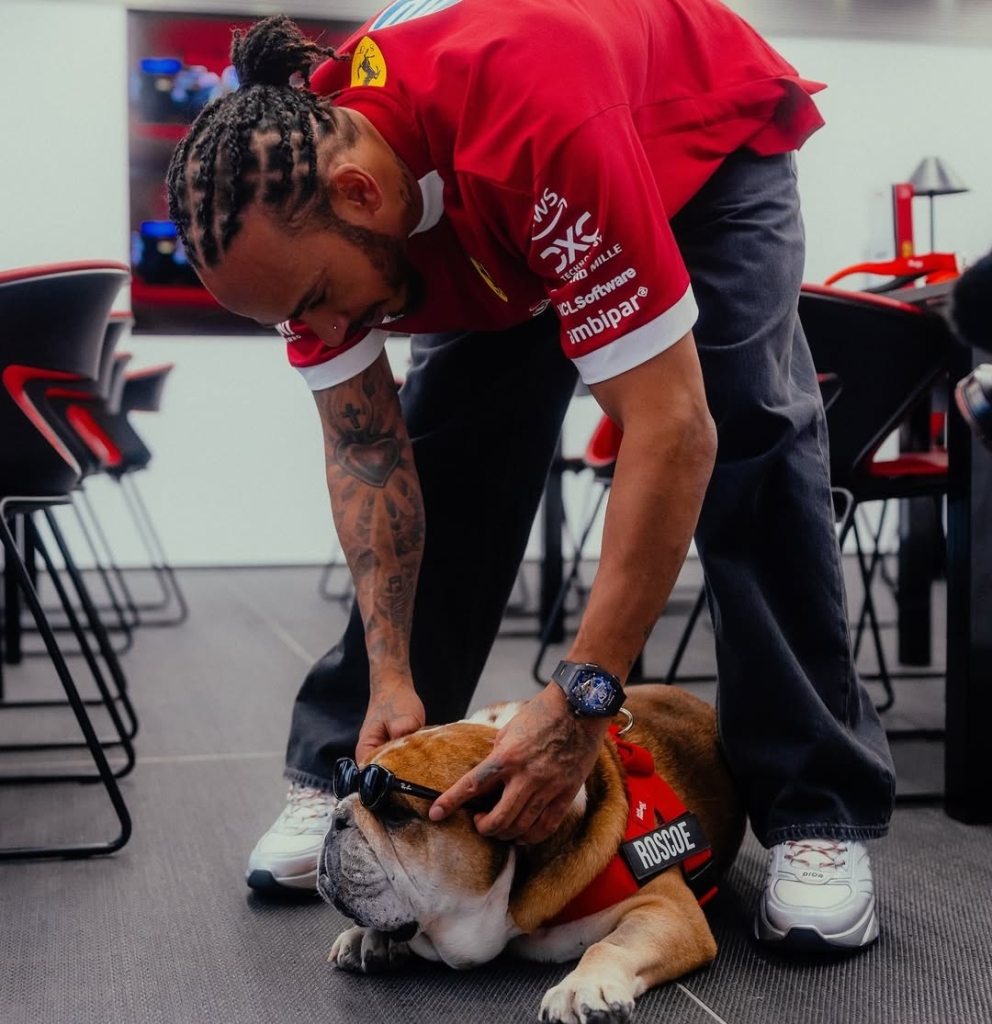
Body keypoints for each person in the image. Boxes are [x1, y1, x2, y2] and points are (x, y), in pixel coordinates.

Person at [166, 0, 896, 950]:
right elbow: (366, 451)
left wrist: (584, 700)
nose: (330, 335)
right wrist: (392, 671)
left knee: (752, 429)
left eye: (318, 303)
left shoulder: (529, 122)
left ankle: (818, 813)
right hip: (498, 194)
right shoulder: (291, 180)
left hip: (689, 147)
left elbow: (670, 430)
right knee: (451, 446)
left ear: (359, 195)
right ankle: (354, 767)